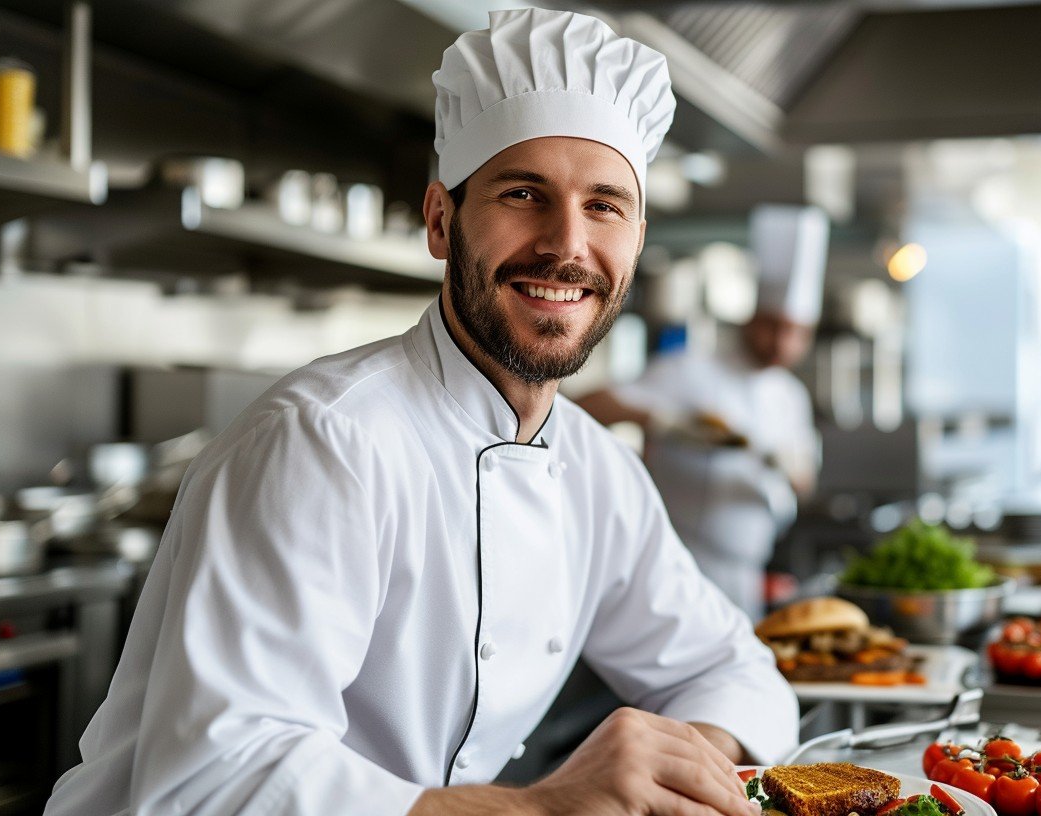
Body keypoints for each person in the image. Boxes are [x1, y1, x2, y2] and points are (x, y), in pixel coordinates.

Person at [43, 9, 795, 816]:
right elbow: (215, 782)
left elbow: (740, 676)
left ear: (636, 240)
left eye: (604, 206)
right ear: (441, 220)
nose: (566, 245)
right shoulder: (325, 442)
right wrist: (544, 809)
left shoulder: (595, 473)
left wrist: (676, 769)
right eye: (522, 193)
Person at [578, 205, 825, 618]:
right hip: (677, 562)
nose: (783, 344)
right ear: (752, 318)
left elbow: (806, 484)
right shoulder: (690, 368)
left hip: (746, 572)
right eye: (774, 327)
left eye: (796, 334)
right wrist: (662, 422)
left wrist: (789, 466)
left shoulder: (791, 396)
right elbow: (590, 403)